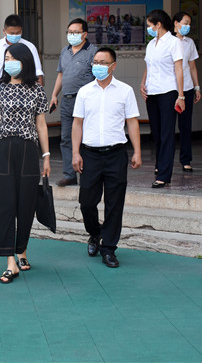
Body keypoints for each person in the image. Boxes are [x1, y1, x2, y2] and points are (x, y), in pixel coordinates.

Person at [0, 43, 50, 284]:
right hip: (2, 150)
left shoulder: (37, 90)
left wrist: (46, 156)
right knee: (4, 205)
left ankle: (22, 250)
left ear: (24, 61)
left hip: (28, 150)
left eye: (13, 58)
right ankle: (10, 261)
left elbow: (41, 125)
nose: (9, 62)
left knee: (26, 204)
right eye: (6, 58)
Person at [72, 47, 142, 267]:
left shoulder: (125, 91)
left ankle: (109, 248)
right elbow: (77, 123)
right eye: (95, 62)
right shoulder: (85, 92)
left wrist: (137, 151)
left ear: (113, 66)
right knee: (86, 202)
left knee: (114, 204)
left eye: (103, 63)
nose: (98, 66)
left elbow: (132, 122)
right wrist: (75, 152)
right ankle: (95, 233)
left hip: (116, 154)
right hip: (90, 155)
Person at [49, 18, 99, 187]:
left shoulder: (93, 52)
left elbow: (99, 76)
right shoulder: (65, 51)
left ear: (84, 34)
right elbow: (61, 75)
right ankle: (69, 174)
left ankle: (87, 173)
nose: (72, 35)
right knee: (66, 138)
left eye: (76, 32)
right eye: (69, 32)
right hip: (67, 100)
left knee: (86, 138)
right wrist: (54, 95)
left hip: (85, 101)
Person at [140, 10, 185, 188]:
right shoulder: (151, 44)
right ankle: (160, 165)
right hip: (152, 92)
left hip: (168, 92)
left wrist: (181, 95)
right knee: (157, 133)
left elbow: (179, 69)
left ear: (158, 25)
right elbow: (148, 66)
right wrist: (143, 83)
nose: (148, 28)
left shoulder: (174, 43)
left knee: (167, 134)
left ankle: (164, 175)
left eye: (150, 25)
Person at [0, 14, 44, 106]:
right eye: (11, 33)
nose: (15, 35)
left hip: (25, 95)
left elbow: (37, 72)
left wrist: (39, 95)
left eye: (18, 33)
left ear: (22, 30)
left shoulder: (30, 47)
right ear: (4, 31)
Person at [172, 11, 201, 172]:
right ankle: (163, 162)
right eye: (185, 23)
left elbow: (192, 67)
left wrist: (197, 87)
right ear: (176, 23)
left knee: (185, 126)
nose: (187, 26)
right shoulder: (167, 41)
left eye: (189, 23)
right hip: (170, 89)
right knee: (167, 127)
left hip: (187, 88)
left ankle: (186, 160)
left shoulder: (190, 43)